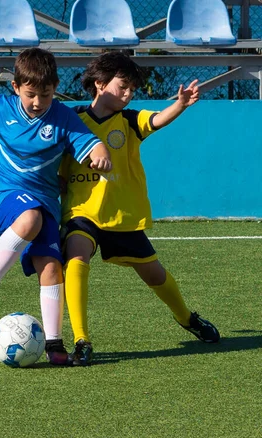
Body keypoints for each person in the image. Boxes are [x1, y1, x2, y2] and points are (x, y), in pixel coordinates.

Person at [0, 48, 112, 365]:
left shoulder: (63, 118)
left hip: (44, 199)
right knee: (29, 219)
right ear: (16, 87)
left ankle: (55, 345)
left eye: (45, 95)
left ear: (55, 88)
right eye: (30, 94)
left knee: (51, 266)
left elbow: (91, 143)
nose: (37, 102)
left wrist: (100, 153)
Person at [58, 51, 220, 367]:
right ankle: (82, 340)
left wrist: (180, 105)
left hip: (122, 216)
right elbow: (56, 159)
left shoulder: (129, 121)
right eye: (122, 86)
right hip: (82, 212)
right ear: (99, 83)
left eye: (132, 88)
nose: (128, 93)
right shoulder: (72, 120)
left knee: (154, 274)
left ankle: (186, 317)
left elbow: (156, 119)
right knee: (75, 255)